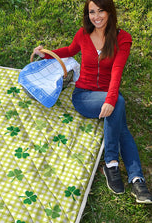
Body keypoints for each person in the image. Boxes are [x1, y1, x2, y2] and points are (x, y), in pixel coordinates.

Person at [33, 0, 152, 204]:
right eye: (92, 12)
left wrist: (111, 99)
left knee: (119, 116)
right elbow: (70, 50)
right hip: (84, 96)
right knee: (119, 107)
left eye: (101, 11)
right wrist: (46, 55)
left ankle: (132, 176)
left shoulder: (123, 39)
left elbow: (117, 71)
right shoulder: (83, 34)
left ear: (110, 11)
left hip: (106, 93)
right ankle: (119, 167)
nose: (96, 16)